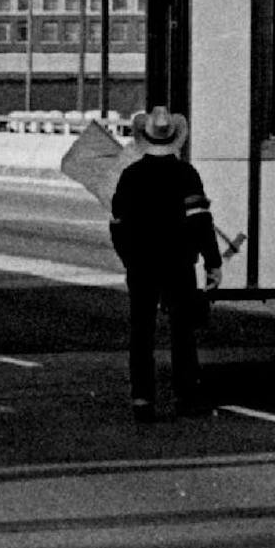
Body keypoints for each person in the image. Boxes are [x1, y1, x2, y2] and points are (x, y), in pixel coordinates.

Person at [109, 106, 223, 422]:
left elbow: (117, 224)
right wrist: (213, 262)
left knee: (141, 331)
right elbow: (201, 222)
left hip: (141, 264)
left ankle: (142, 398)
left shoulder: (131, 176)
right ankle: (185, 395)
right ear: (174, 139)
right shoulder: (186, 174)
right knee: (182, 330)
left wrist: (129, 258)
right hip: (179, 262)